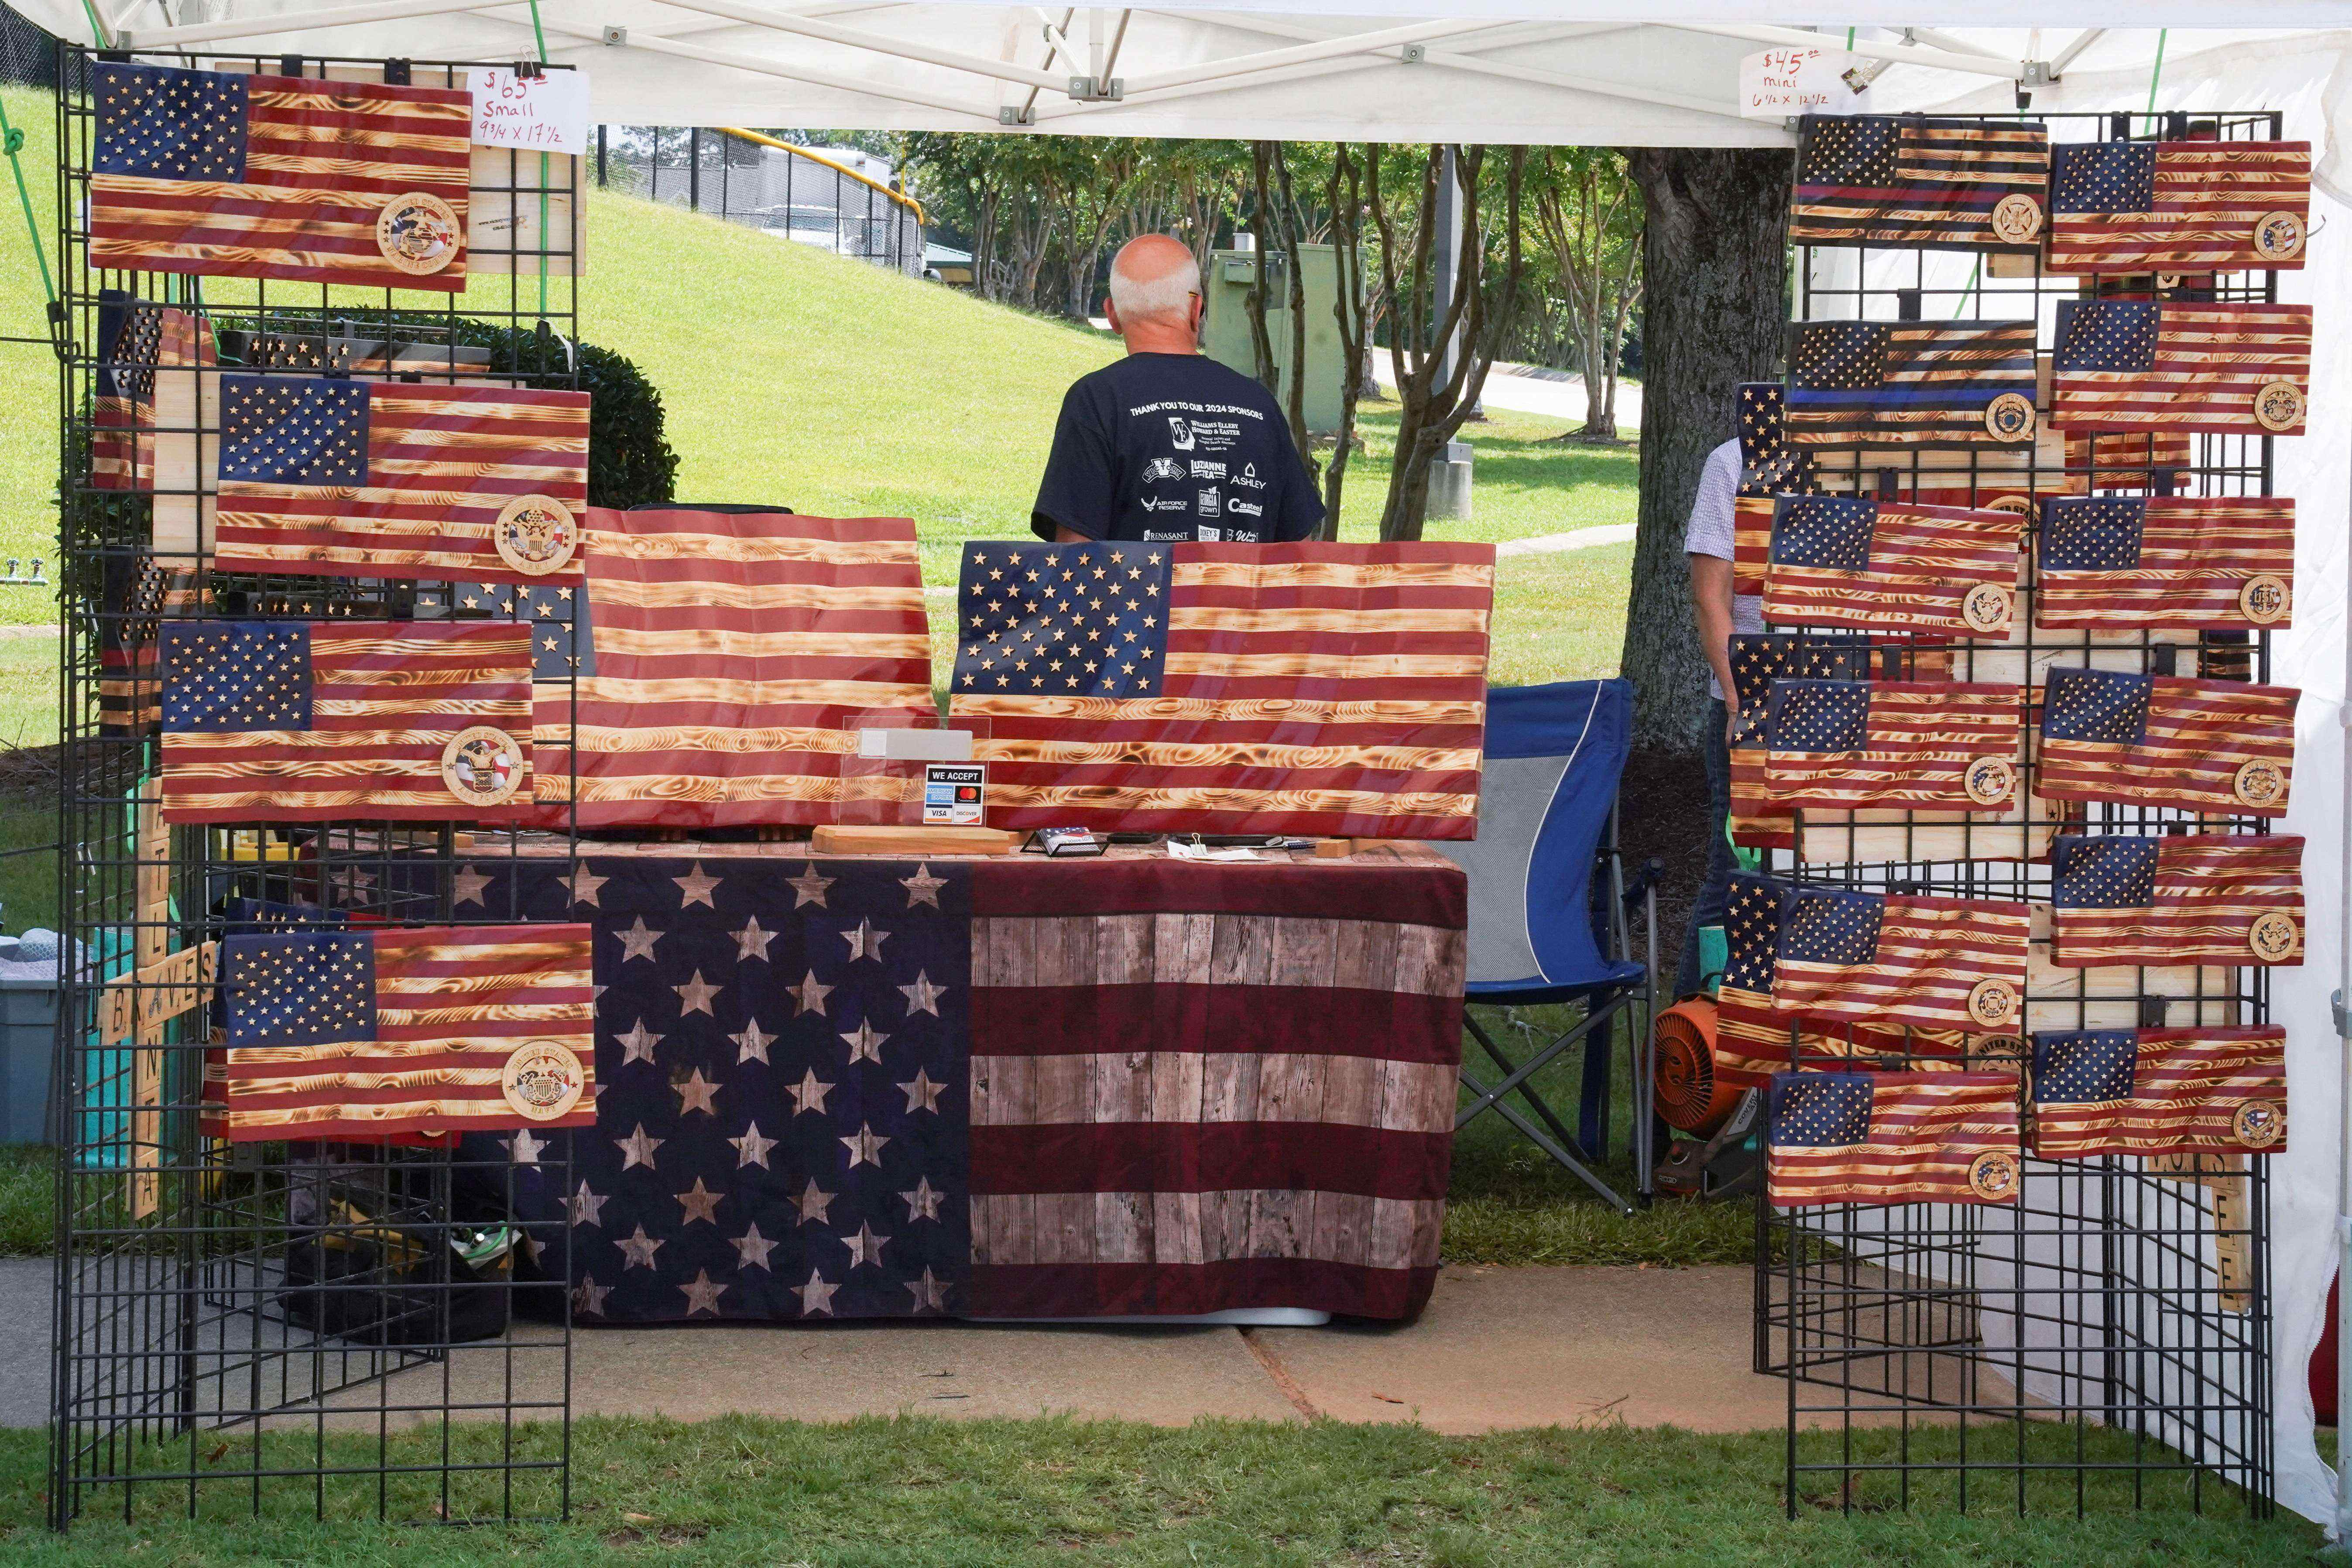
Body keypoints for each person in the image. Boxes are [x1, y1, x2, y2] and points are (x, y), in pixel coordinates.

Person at [1031, 233, 1324, 546]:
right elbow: (1298, 552)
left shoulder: (1096, 400)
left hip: (1136, 597)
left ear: (1113, 314)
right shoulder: (1259, 405)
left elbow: (1074, 556)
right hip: (1238, 597)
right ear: (1196, 309)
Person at [1676, 434, 1749, 999]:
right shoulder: (1731, 460)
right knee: (1733, 881)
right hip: (1749, 714)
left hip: (1850, 708)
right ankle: (1692, 1059)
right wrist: (1738, 700)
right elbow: (1709, 597)